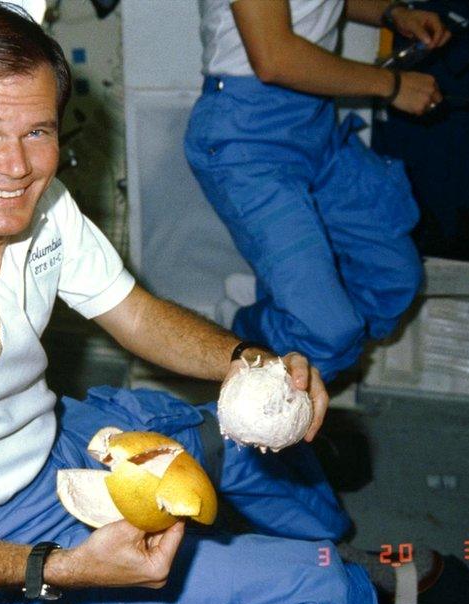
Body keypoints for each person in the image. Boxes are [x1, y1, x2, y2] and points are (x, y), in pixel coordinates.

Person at [0, 3, 387, 604]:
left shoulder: (35, 203)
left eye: (37, 131)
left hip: (59, 440)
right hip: (5, 540)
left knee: (254, 446)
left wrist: (250, 363)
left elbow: (133, 313)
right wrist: (57, 569)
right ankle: (333, 582)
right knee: (327, 598)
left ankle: (338, 548)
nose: (16, 167)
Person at [184, 0, 452, 382]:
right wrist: (391, 86)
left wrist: (391, 13)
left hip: (315, 124)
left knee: (393, 280)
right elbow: (274, 58)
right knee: (326, 332)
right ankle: (245, 330)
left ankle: (287, 318)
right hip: (247, 137)